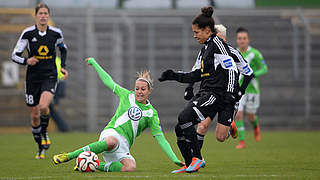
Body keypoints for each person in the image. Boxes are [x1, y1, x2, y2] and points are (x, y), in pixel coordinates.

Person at [53, 57, 184, 172]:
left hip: (124, 145)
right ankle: (69, 156)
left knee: (130, 168)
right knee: (111, 141)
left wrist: (174, 159)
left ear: (149, 91)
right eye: (137, 88)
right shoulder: (127, 95)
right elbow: (108, 81)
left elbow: (160, 138)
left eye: (143, 89)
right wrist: (94, 63)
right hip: (111, 133)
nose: (139, 92)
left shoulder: (151, 114)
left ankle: (93, 165)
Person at [158, 7, 240, 173]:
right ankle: (190, 164)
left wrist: (231, 92)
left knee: (184, 117)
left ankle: (198, 158)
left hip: (216, 94)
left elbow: (232, 69)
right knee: (179, 127)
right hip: (206, 92)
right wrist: (174, 76)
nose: (194, 35)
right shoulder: (205, 49)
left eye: (197, 32)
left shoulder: (218, 44)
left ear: (207, 30)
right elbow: (196, 75)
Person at [184, 24, 254, 152]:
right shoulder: (205, 51)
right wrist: (189, 87)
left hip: (228, 99)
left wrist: (240, 91)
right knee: (202, 126)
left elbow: (249, 73)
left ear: (224, 40)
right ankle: (196, 159)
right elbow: (195, 70)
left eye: (219, 39)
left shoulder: (233, 53)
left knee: (220, 137)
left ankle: (229, 126)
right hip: (210, 94)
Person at [11, 3, 68, 159]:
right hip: (32, 79)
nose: (43, 16)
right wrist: (26, 61)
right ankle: (40, 147)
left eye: (45, 13)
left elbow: (63, 49)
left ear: (48, 16)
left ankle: (44, 133)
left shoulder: (56, 33)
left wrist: (62, 67)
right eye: (40, 13)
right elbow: (14, 55)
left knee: (44, 106)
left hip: (49, 76)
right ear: (35, 15)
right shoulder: (28, 33)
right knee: (35, 115)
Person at [235, 27, 268, 149]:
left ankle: (255, 127)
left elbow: (265, 69)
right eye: (239, 38)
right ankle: (241, 141)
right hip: (239, 89)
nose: (242, 40)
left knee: (250, 116)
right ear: (237, 40)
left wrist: (254, 74)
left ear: (248, 40)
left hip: (252, 90)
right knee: (238, 114)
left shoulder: (255, 53)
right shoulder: (234, 53)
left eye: (244, 38)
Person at [49, 56, 69, 132]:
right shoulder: (57, 59)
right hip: (59, 86)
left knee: (49, 110)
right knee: (50, 110)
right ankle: (63, 128)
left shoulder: (51, 59)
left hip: (56, 87)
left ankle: (64, 128)